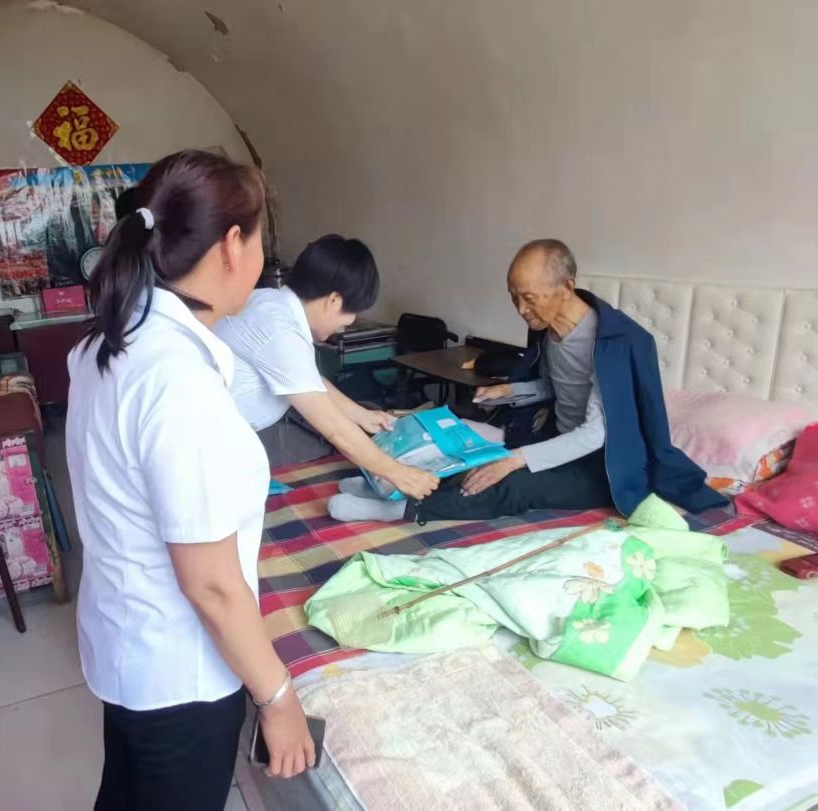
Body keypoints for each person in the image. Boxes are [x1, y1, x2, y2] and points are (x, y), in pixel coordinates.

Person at [66, 150, 315, 811]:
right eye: (260, 239)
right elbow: (209, 582)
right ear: (233, 245)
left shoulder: (108, 343)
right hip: (178, 676)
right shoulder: (177, 380)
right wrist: (278, 698)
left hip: (126, 644)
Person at [329, 238, 726, 523]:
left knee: (515, 484)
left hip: (604, 465)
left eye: (530, 298)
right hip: (555, 440)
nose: (521, 309)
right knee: (470, 447)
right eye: (514, 297)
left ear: (566, 287)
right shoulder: (549, 328)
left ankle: (401, 510)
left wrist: (517, 459)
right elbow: (556, 388)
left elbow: (596, 434)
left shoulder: (615, 343)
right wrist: (511, 390)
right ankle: (393, 486)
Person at [214, 235, 438, 500]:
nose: (345, 325)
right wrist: (400, 474)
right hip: (203, 441)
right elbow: (335, 429)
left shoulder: (269, 303)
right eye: (351, 314)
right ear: (334, 300)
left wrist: (362, 415)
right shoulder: (280, 332)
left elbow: (311, 381)